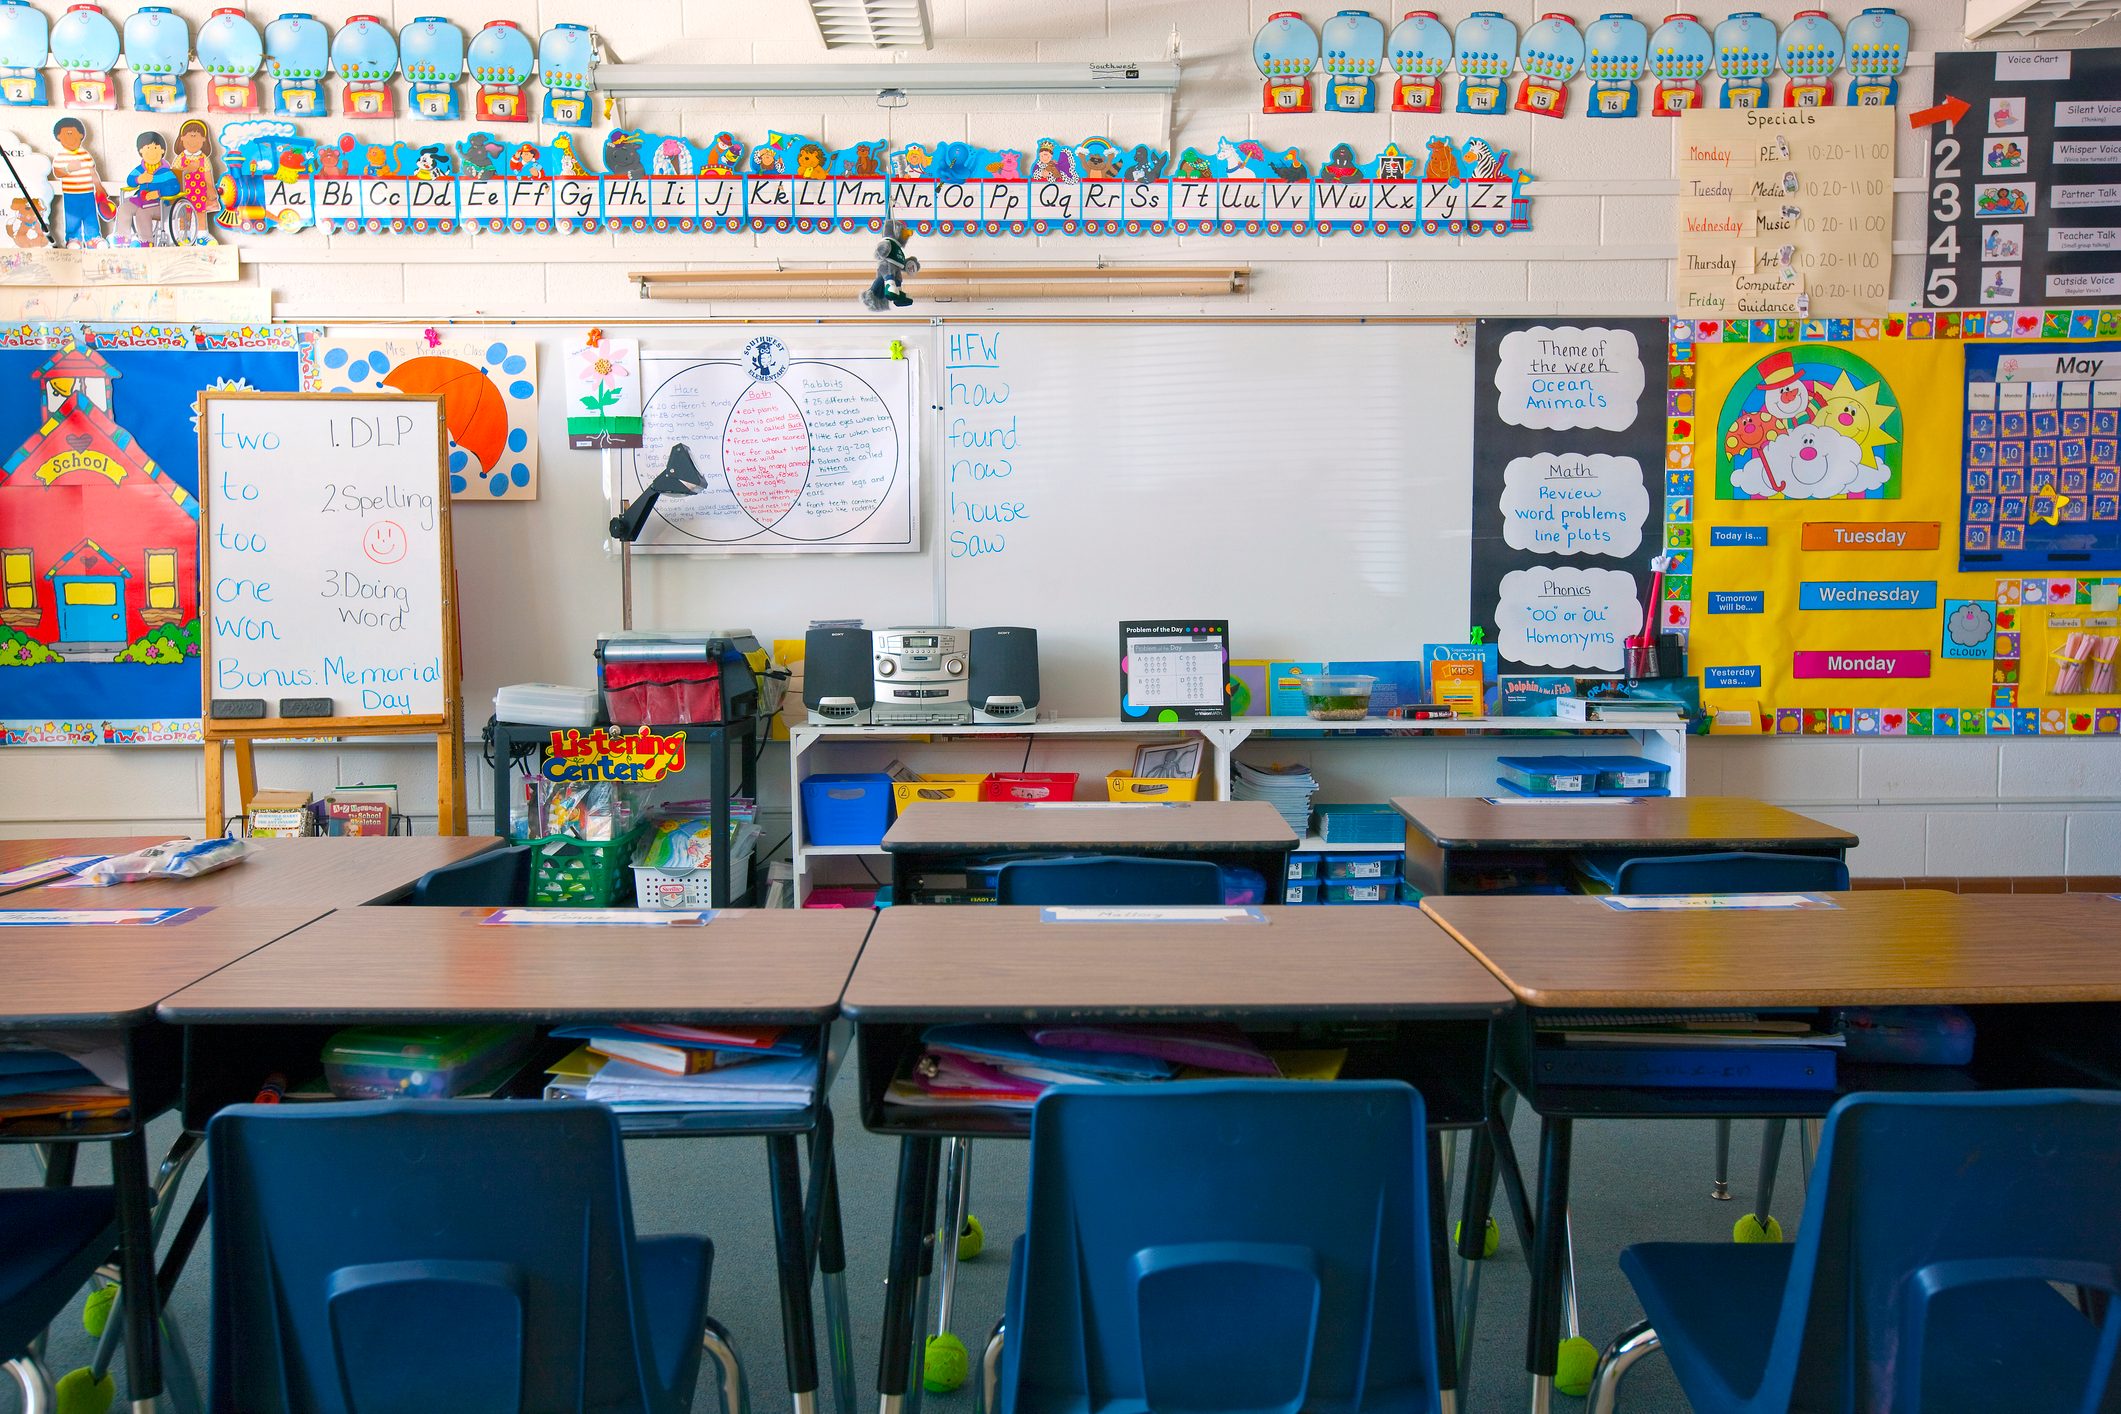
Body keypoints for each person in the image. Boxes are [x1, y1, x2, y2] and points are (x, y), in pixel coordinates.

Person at [116, 130, 180, 246]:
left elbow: (174, 187)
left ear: (162, 151)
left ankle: (146, 242)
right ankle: (123, 238)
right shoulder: (140, 169)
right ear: (141, 151)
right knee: (124, 207)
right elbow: (130, 180)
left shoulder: (165, 171)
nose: (152, 152)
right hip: (141, 200)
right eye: (148, 148)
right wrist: (138, 179)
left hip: (160, 205)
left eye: (155, 148)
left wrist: (159, 193)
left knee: (143, 212)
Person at [48, 117, 104, 247]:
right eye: (66, 134)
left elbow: (92, 171)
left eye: (73, 133)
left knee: (90, 216)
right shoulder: (61, 156)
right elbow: (57, 172)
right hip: (70, 194)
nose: (70, 138)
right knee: (72, 217)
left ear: (81, 135)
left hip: (88, 192)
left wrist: (99, 187)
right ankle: (73, 239)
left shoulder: (85, 154)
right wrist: (68, 168)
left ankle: (94, 238)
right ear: (58, 137)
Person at [171, 119, 219, 243]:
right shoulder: (180, 158)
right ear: (182, 138)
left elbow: (208, 177)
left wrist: (210, 189)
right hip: (184, 193)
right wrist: (188, 169)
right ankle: (182, 235)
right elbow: (174, 176)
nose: (193, 140)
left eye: (197, 136)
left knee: (200, 213)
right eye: (190, 136)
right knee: (183, 213)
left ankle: (202, 235)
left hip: (200, 193)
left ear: (204, 139)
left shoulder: (204, 159)